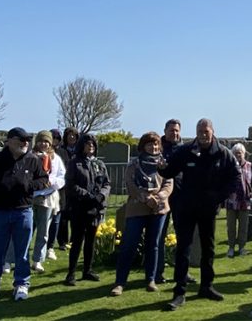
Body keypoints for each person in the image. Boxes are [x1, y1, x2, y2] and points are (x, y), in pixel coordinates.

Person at [158, 118, 241, 311]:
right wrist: (161, 167)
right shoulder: (186, 151)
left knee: (208, 249)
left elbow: (235, 176)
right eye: (200, 132)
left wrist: (219, 197)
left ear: (212, 131)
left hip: (208, 208)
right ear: (196, 132)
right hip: (186, 207)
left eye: (206, 132)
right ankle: (179, 292)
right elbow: (171, 170)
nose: (203, 135)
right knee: (183, 249)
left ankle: (206, 286)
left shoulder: (222, 153)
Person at [0, 127, 49, 302]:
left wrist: (29, 186)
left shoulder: (33, 160)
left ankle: (21, 284)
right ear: (9, 141)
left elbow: (44, 179)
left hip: (23, 211)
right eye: (21, 140)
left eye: (27, 140)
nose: (25, 143)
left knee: (22, 252)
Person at [111, 132, 173, 296]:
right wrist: (145, 198)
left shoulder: (164, 164)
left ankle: (151, 279)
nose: (153, 147)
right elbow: (130, 184)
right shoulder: (134, 164)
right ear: (143, 146)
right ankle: (120, 282)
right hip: (137, 207)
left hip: (158, 208)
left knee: (153, 245)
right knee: (129, 244)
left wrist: (159, 197)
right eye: (149, 144)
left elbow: (168, 183)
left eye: (156, 144)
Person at [64, 133, 111, 286]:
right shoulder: (74, 163)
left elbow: (107, 183)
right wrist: (87, 195)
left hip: (96, 208)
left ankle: (87, 270)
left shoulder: (99, 164)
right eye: (87, 144)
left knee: (91, 240)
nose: (91, 147)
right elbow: (71, 185)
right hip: (79, 207)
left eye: (93, 144)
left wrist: (101, 196)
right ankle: (71, 273)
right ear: (81, 146)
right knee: (77, 240)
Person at [156, 118, 196, 284]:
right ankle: (156, 273)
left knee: (184, 238)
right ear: (165, 131)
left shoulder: (185, 149)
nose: (174, 133)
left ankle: (182, 273)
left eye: (177, 130)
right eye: (171, 130)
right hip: (162, 197)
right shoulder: (157, 147)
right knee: (159, 236)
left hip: (181, 197)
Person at [29, 130, 67, 272]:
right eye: (41, 141)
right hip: (31, 197)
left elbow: (62, 177)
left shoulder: (55, 158)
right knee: (26, 230)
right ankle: (13, 260)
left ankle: (38, 260)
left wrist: (50, 182)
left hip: (48, 197)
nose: (44, 144)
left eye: (46, 141)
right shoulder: (30, 157)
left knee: (43, 232)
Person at [225, 143, 252, 257]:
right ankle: (231, 248)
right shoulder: (228, 166)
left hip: (245, 200)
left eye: (240, 153)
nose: (238, 155)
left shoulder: (249, 165)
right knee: (231, 226)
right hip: (232, 201)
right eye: (235, 153)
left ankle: (242, 247)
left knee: (243, 226)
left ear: (244, 154)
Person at [55, 127, 79, 252]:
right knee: (63, 215)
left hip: (76, 186)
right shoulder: (60, 151)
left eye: (74, 135)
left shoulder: (80, 151)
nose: (71, 137)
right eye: (69, 135)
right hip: (64, 187)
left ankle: (75, 239)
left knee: (76, 215)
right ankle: (62, 241)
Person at [45, 128, 64, 261]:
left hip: (55, 192)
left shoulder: (59, 156)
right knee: (36, 224)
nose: (55, 142)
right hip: (38, 194)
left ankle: (50, 248)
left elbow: (62, 175)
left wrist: (53, 182)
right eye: (53, 139)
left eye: (57, 139)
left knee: (55, 220)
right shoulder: (35, 155)